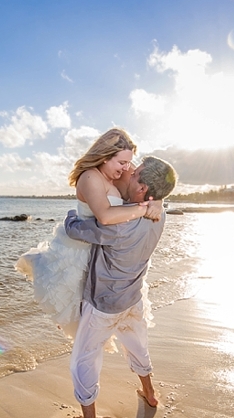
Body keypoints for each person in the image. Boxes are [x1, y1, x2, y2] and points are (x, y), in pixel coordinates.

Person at [62, 156, 178, 418]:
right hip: (133, 298)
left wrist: (70, 216)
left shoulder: (119, 224)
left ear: (144, 192)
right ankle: (150, 394)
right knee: (138, 347)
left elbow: (76, 230)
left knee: (83, 361)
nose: (129, 172)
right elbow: (150, 205)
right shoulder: (159, 214)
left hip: (103, 305)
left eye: (135, 173)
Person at [15, 128, 161, 338]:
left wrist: (158, 200)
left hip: (104, 250)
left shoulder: (123, 169)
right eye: (122, 163)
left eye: (129, 162)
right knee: (77, 313)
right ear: (104, 157)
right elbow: (104, 216)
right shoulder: (90, 177)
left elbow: (150, 186)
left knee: (114, 315)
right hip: (81, 247)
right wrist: (145, 209)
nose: (127, 168)